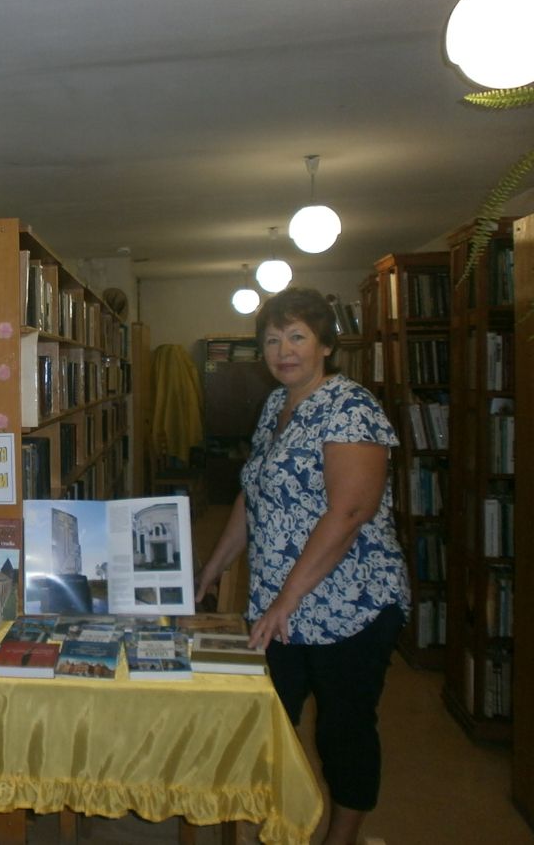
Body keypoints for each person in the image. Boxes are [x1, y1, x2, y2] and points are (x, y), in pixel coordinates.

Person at [194, 287, 410, 845]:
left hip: (351, 604)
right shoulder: (275, 406)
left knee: (344, 729)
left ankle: (343, 836)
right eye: (272, 340)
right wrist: (213, 567)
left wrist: (286, 601)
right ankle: (280, 823)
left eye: (297, 337)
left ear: (325, 345)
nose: (283, 351)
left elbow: (350, 513)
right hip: (279, 604)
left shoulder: (351, 407)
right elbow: (253, 495)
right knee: (273, 717)